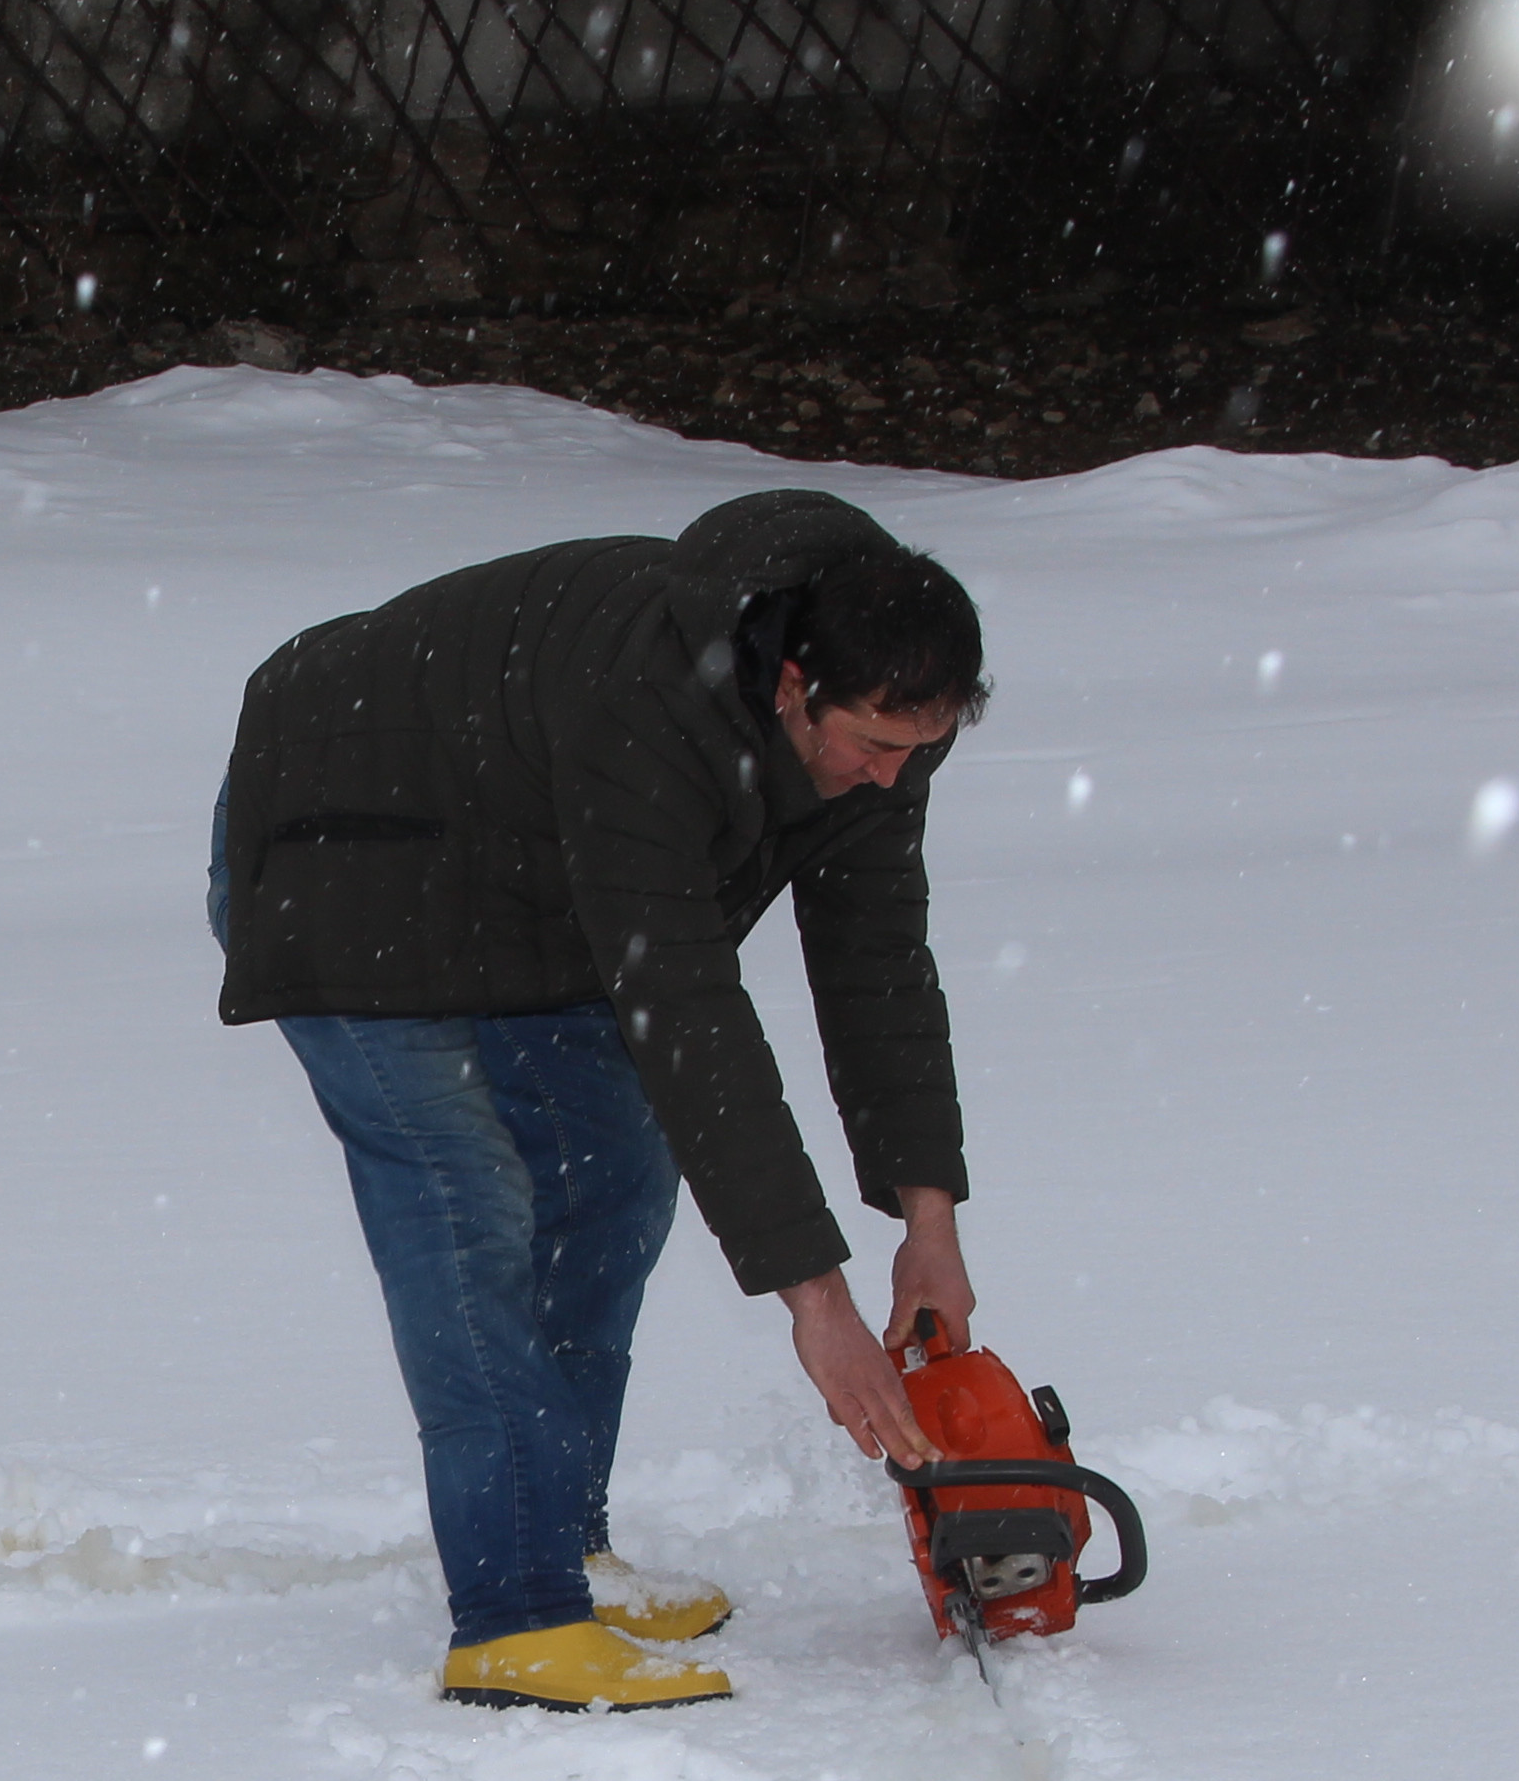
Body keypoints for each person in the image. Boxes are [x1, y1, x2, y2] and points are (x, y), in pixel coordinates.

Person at [212, 491, 990, 1711]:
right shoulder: (652, 698)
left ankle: (559, 1541)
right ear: (793, 686)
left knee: (614, 1178)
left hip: (528, 879)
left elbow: (876, 961)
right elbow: (681, 997)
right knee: (467, 1212)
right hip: (346, 850)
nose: (892, 779)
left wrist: (927, 1224)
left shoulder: (881, 717)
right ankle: (515, 1619)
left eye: (919, 751)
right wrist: (817, 1300)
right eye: (875, 747)